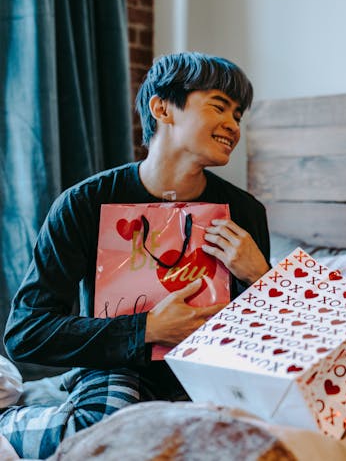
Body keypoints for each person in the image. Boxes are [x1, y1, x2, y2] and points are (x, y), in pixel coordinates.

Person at [0, 52, 271, 458]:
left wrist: (261, 275)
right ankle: (14, 423)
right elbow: (26, 332)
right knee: (114, 419)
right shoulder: (85, 203)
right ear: (161, 108)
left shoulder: (246, 213)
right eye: (219, 106)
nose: (233, 126)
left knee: (231, 434)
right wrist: (145, 329)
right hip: (115, 367)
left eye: (238, 115)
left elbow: (271, 338)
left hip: (203, 371)